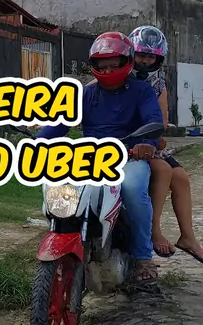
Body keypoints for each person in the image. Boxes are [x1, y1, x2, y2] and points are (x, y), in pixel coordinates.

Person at [36, 31, 163, 289]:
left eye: (113, 65)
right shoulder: (86, 94)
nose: (107, 71)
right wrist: (37, 142)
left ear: (126, 62)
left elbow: (153, 121)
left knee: (133, 188)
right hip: (91, 157)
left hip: (129, 156)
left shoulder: (142, 91)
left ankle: (143, 257)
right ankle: (69, 237)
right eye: (101, 66)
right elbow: (61, 123)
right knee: (63, 185)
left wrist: (146, 145)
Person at [129, 25, 203, 264]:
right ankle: (154, 230)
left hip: (147, 141)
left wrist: (155, 137)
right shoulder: (118, 76)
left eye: (150, 57)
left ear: (158, 59)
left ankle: (188, 237)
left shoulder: (158, 83)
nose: (144, 61)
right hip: (124, 141)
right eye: (140, 55)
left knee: (181, 177)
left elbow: (161, 121)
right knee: (163, 170)